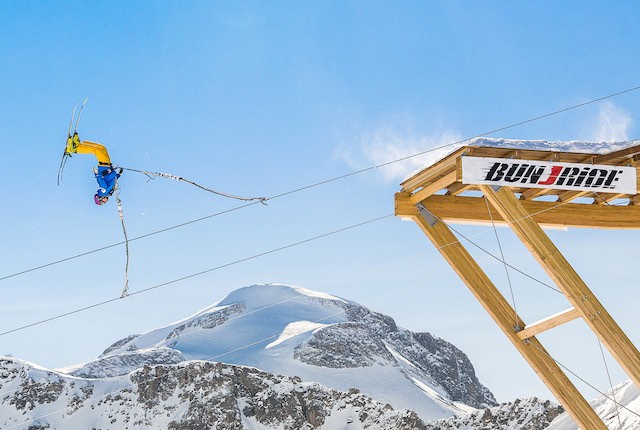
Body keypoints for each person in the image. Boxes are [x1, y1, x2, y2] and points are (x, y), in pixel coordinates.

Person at [65, 133, 122, 205]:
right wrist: (119, 174)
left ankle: (74, 149)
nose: (106, 202)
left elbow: (101, 181)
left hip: (104, 165)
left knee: (96, 150)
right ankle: (79, 145)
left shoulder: (103, 192)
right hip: (107, 165)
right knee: (101, 147)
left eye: (103, 202)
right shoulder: (108, 192)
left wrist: (97, 174)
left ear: (100, 198)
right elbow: (112, 180)